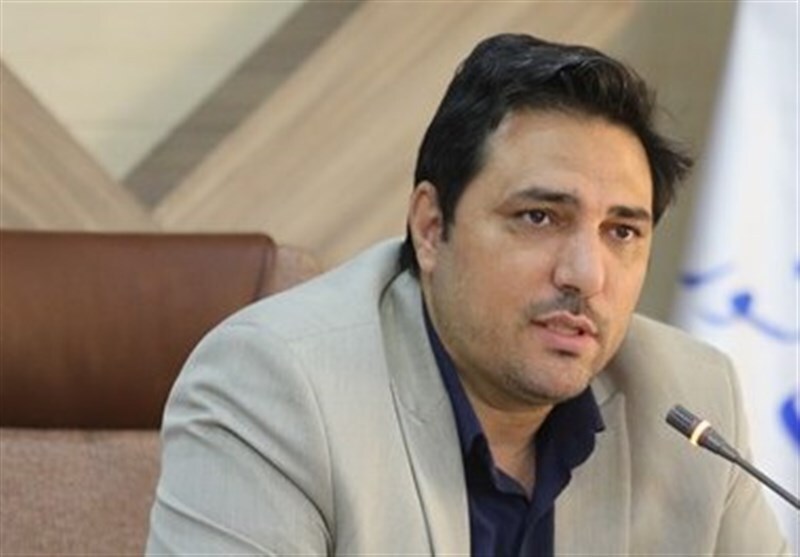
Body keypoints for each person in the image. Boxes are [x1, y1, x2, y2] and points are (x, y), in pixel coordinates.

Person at [146, 34, 789, 555]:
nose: (586, 275)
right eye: (539, 217)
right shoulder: (275, 387)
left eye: (622, 231)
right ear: (431, 228)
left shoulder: (690, 401)